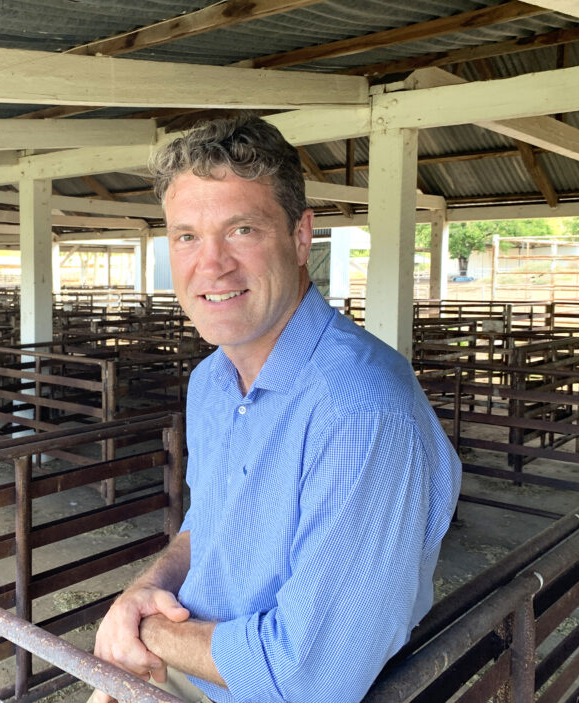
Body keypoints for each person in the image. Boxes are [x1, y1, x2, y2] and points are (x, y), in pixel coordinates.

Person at [89, 115, 462, 703]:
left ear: (300, 236)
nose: (211, 264)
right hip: (191, 662)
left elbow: (312, 677)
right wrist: (144, 590)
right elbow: (207, 525)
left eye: (242, 229)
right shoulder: (211, 382)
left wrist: (148, 633)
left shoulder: (359, 410)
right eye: (187, 236)